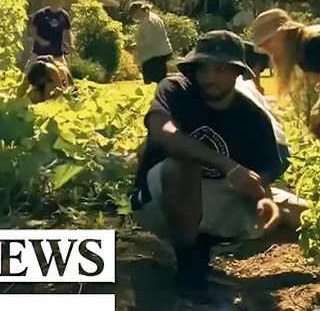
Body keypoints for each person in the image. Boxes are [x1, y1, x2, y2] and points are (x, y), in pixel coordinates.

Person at [130, 30, 308, 301]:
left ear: (238, 73)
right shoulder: (176, 89)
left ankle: (206, 245)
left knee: (302, 213)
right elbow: (163, 132)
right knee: (183, 165)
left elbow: (262, 178)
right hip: (159, 199)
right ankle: (190, 273)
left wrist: (265, 202)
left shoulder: (252, 118)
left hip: (217, 197)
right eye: (203, 67)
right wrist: (227, 165)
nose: (209, 77)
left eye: (221, 68)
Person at [250, 8, 320, 136]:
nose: (267, 51)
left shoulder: (311, 45)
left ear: (281, 33)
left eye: (267, 43)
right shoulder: (300, 50)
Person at [24, 0, 73, 71]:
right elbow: (33, 31)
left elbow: (67, 32)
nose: (57, 1)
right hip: (39, 52)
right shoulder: (41, 14)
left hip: (57, 53)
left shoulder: (64, 16)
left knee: (64, 74)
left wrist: (70, 44)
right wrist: (40, 40)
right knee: (28, 73)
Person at [129, 1, 173, 84]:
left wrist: (134, 46)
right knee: (159, 81)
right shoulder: (151, 17)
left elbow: (148, 41)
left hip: (155, 55)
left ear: (138, 11)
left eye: (134, 15)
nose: (134, 18)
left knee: (152, 83)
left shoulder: (149, 21)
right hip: (158, 53)